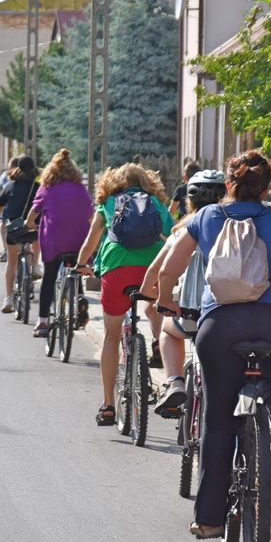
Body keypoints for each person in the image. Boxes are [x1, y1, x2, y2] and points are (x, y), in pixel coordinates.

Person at [155, 150, 271, 539]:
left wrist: (167, 300)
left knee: (218, 424)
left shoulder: (205, 217)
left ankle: (211, 520)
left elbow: (170, 267)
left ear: (228, 185)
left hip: (221, 327)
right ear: (266, 188)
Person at [75, 163, 173, 426]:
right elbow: (171, 237)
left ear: (113, 182)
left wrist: (82, 263)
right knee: (155, 306)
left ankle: (108, 405)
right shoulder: (156, 204)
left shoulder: (108, 203)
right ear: (147, 182)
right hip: (152, 269)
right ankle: (156, 343)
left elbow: (91, 242)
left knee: (111, 335)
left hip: (116, 270)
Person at [140, 169, 226, 418]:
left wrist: (152, 296)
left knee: (168, 329)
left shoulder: (183, 231)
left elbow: (156, 272)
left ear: (190, 201)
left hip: (191, 314)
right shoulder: (236, 228)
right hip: (230, 313)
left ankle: (174, 381)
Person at [24, 149, 93, 338]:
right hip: (78, 241)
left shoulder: (47, 187)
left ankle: (42, 322)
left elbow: (33, 213)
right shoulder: (81, 188)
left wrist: (29, 224)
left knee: (49, 277)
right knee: (77, 269)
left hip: (54, 241)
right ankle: (79, 301)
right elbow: (91, 215)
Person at [0, 155, 40, 314]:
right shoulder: (38, 188)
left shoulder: (10, 186)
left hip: (13, 230)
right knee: (34, 241)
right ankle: (34, 266)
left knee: (12, 261)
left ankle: (9, 298)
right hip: (32, 230)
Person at [0, 156, 19, 263]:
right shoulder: (3, 176)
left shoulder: (6, 178)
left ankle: (6, 249)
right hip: (14, 209)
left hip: (8, 208)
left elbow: (0, 195)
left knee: (3, 225)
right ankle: (33, 267)